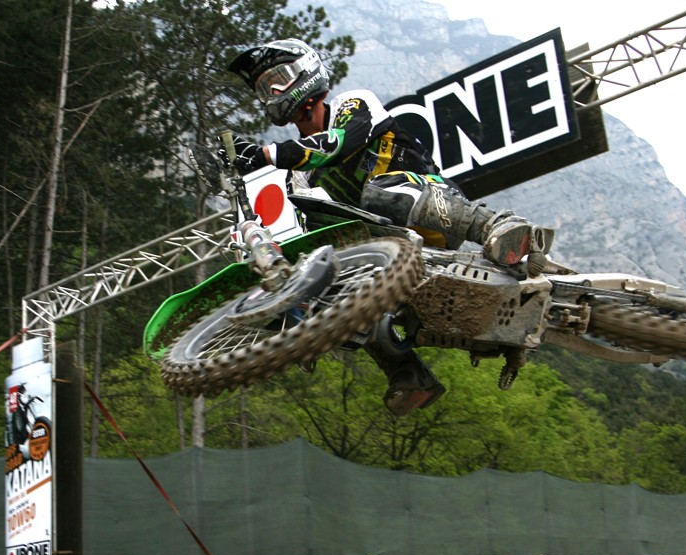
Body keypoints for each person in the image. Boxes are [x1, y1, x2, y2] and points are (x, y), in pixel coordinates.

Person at [223, 38, 554, 415]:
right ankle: (408, 375)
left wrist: (265, 155)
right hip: (392, 250)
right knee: (347, 289)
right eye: (265, 87)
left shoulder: (354, 104)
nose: (274, 91)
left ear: (307, 72)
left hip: (433, 210)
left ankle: (498, 226)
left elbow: (336, 145)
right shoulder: (300, 178)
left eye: (280, 78)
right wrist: (304, 316)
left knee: (379, 192)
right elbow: (313, 234)